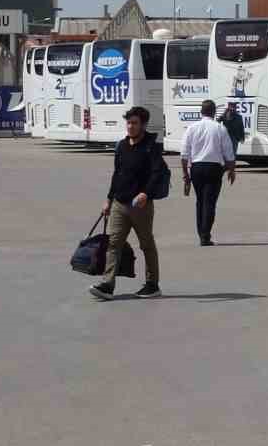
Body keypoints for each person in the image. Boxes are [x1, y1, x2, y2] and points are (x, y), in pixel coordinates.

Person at [89, 106, 167, 300]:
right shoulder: (122, 146)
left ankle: (152, 284)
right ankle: (107, 284)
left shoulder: (151, 146)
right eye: (129, 123)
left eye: (134, 123)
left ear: (143, 125)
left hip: (140, 206)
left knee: (146, 244)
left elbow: (157, 173)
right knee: (113, 244)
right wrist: (108, 199)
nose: (130, 127)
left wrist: (146, 194)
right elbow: (117, 174)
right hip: (119, 203)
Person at [181, 99, 237, 246]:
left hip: (197, 168)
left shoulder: (192, 128)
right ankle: (205, 235)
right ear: (213, 112)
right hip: (214, 169)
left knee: (200, 201)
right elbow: (229, 152)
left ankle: (201, 233)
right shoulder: (220, 128)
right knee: (210, 202)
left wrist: (185, 174)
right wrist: (232, 170)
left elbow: (184, 154)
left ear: (201, 111)